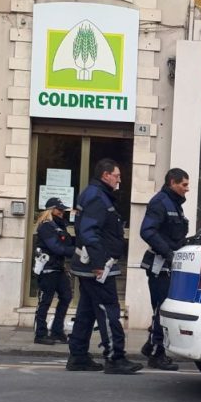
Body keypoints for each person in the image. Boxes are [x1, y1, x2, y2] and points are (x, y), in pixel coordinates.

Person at [67, 159, 140, 374]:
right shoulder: (97, 197)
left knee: (87, 312)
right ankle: (115, 357)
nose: (119, 179)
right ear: (105, 175)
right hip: (97, 265)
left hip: (91, 263)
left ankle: (78, 356)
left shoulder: (96, 195)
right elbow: (90, 232)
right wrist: (99, 264)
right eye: (116, 175)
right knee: (109, 309)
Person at [139, 168, 190, 370]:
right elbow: (147, 231)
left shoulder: (175, 204)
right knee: (162, 308)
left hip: (168, 265)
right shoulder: (160, 202)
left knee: (162, 308)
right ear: (172, 182)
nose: (187, 189)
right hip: (159, 265)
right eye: (184, 184)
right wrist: (168, 252)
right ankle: (155, 353)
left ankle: (152, 344)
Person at [32, 198, 74, 346]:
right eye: (59, 210)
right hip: (48, 268)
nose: (62, 212)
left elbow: (67, 242)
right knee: (45, 301)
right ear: (50, 210)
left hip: (58, 268)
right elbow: (56, 247)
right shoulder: (46, 226)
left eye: (63, 210)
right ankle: (40, 334)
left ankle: (57, 330)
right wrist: (75, 252)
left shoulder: (59, 225)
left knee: (66, 296)